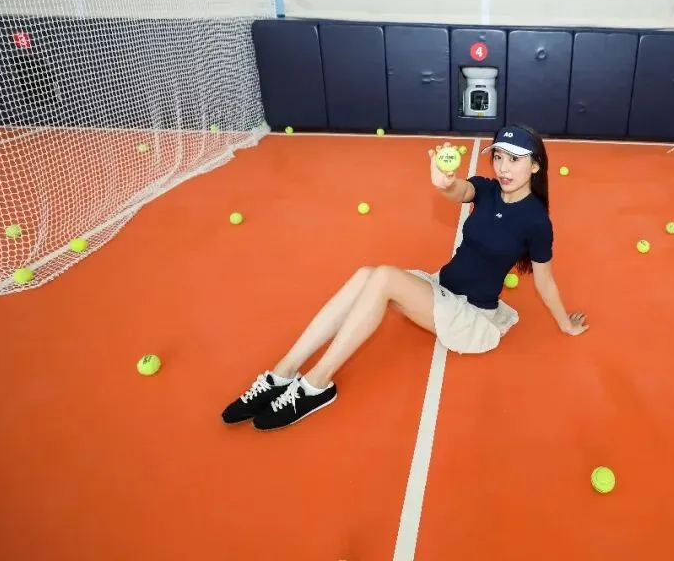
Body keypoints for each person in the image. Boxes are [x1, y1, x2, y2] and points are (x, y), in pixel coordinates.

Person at [221, 123, 588, 431]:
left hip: (471, 317)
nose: (504, 167)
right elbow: (460, 190)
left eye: (515, 159)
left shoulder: (536, 221)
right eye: (499, 157)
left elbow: (544, 281)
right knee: (366, 275)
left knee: (383, 277)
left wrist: (566, 324)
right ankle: (282, 373)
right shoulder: (489, 190)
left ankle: (317, 384)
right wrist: (443, 182)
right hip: (442, 287)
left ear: (536, 166)